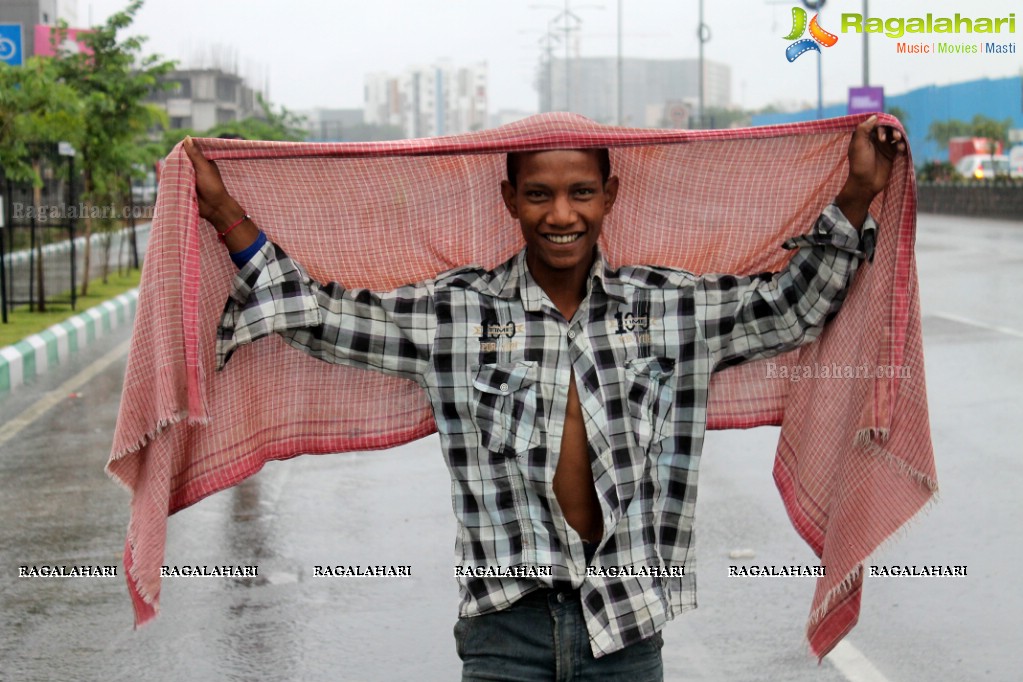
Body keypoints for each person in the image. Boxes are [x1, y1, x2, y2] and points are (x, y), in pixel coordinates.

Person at [183, 115, 904, 681]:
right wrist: (223, 212)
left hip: (625, 628)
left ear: (608, 196)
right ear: (510, 201)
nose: (562, 214)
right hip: (505, 630)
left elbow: (790, 310)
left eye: (580, 192)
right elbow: (319, 316)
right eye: (539, 194)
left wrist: (855, 193)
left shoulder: (668, 309)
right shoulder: (455, 316)